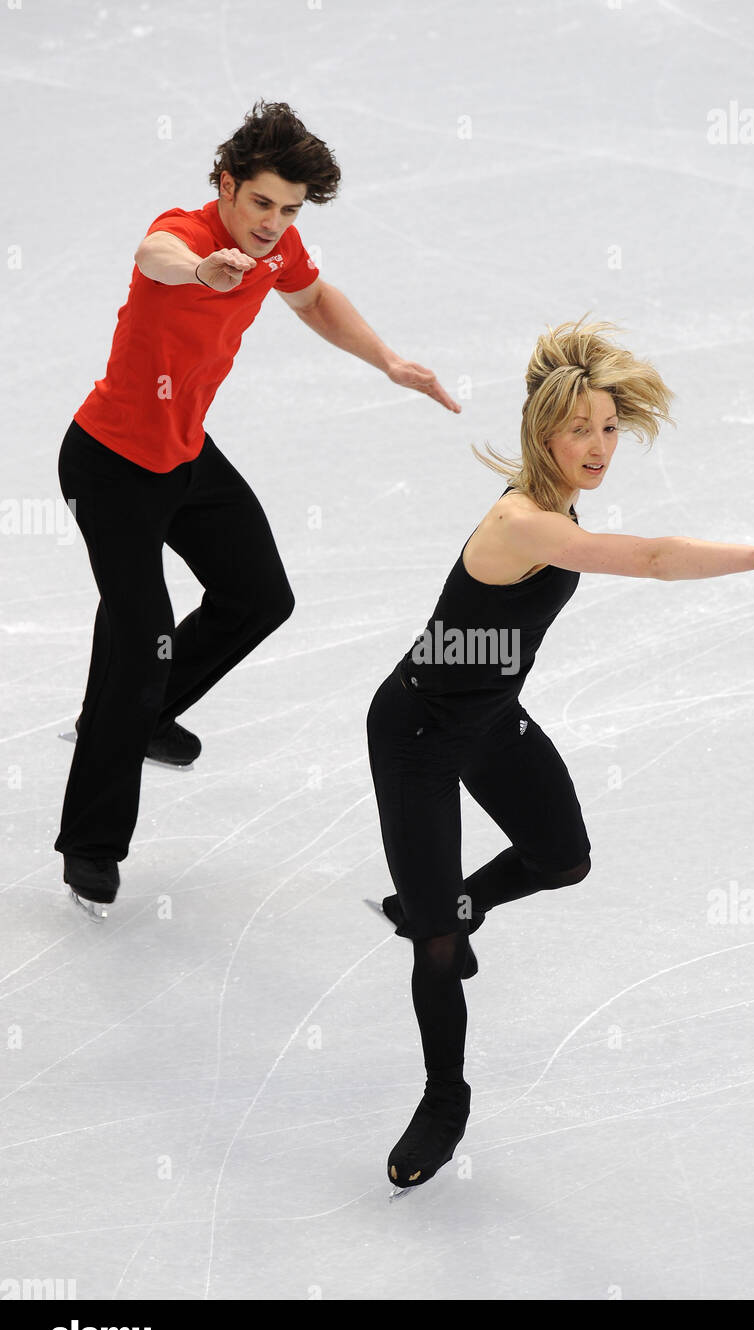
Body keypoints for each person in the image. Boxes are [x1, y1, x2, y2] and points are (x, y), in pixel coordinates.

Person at [366, 317, 754, 1190]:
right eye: (578, 429)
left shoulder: (554, 502)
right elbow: (654, 559)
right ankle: (445, 1097)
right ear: (540, 432)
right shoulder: (523, 522)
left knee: (561, 858)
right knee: (433, 946)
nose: (597, 446)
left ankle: (452, 904)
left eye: (608, 427)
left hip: (487, 716)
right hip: (417, 736)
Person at [57, 99, 459, 916]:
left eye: (288, 210)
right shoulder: (189, 235)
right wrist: (200, 270)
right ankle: (90, 849)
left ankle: (139, 716)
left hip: (185, 455)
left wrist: (386, 360)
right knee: (141, 644)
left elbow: (311, 299)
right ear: (226, 186)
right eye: (260, 203)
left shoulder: (279, 247)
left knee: (259, 597)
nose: (273, 224)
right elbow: (155, 252)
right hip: (110, 463)